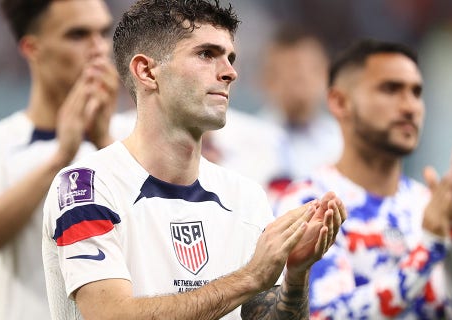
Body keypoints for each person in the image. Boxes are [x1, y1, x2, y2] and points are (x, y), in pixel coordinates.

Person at [42, 0, 346, 319]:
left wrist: (296, 276)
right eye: (206, 55)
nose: (230, 72)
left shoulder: (246, 197)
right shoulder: (87, 187)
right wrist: (250, 277)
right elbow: (111, 315)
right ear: (146, 72)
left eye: (230, 58)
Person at [273, 39, 452, 318]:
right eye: (390, 89)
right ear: (340, 102)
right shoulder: (307, 204)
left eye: (417, 92)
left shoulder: (429, 205)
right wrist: (429, 246)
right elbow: (324, 314)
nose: (410, 107)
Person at [0, 0, 119, 319]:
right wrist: (60, 158)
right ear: (32, 48)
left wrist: (103, 143)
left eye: (104, 32)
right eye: (78, 34)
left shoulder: (127, 139)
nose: (98, 49)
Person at [259, 24, 343, 194]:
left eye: (312, 69)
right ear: (268, 78)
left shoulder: (343, 142)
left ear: (327, 76)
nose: (302, 79)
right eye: (291, 70)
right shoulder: (246, 140)